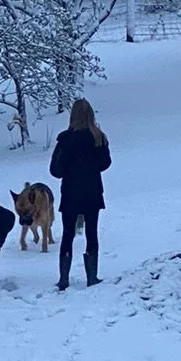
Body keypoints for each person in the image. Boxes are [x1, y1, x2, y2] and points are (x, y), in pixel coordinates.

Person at [49, 96, 111, 290]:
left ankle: (64, 279)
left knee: (68, 234)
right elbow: (105, 164)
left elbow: (56, 171)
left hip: (70, 193)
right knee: (92, 233)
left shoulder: (65, 140)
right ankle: (92, 277)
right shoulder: (99, 138)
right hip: (92, 191)